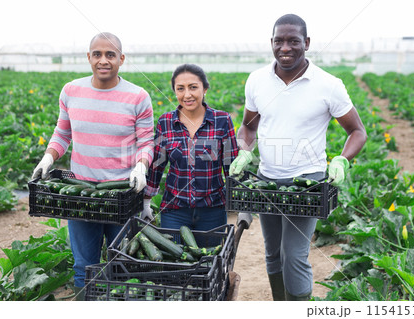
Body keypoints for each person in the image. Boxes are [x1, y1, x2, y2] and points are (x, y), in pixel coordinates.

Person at [231, 14, 367, 301]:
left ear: (306, 43)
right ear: (271, 43)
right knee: (272, 252)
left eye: (293, 41)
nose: (285, 48)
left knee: (293, 255)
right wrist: (244, 150)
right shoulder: (257, 80)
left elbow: (357, 131)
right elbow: (248, 126)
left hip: (308, 184)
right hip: (267, 180)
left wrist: (342, 159)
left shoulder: (328, 84)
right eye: (279, 41)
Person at [31, 32, 154, 300]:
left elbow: (146, 142)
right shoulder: (71, 91)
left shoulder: (138, 97)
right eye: (97, 54)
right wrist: (48, 157)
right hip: (82, 195)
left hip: (122, 195)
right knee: (83, 267)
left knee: (122, 265)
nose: (103, 60)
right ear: (89, 57)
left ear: (121, 59)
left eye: (110, 55)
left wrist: (141, 167)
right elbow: (62, 134)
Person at [143, 64, 239, 238]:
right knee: (175, 264)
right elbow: (157, 166)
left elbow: (231, 167)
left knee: (210, 263)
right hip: (174, 211)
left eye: (193, 87)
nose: (187, 94)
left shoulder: (222, 120)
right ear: (175, 92)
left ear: (205, 89)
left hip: (213, 211)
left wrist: (242, 204)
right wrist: (146, 203)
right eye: (180, 89)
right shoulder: (166, 122)